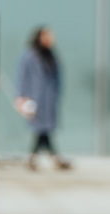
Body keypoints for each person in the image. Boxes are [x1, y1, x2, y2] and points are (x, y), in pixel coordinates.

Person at [14, 25, 69, 168]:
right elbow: (22, 77)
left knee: (43, 130)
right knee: (41, 130)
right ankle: (51, 157)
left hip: (48, 100)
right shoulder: (29, 56)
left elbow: (57, 77)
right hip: (34, 99)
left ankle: (36, 157)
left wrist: (57, 93)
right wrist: (21, 97)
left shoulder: (51, 56)